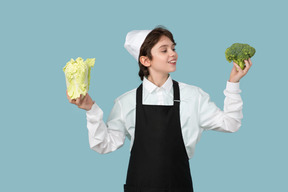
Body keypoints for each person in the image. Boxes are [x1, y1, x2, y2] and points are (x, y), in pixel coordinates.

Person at [66, 26, 252, 192]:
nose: (173, 54)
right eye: (164, 50)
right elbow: (104, 144)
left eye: (173, 48)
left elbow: (231, 123)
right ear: (145, 60)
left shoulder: (194, 96)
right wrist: (91, 110)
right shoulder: (126, 102)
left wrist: (233, 84)